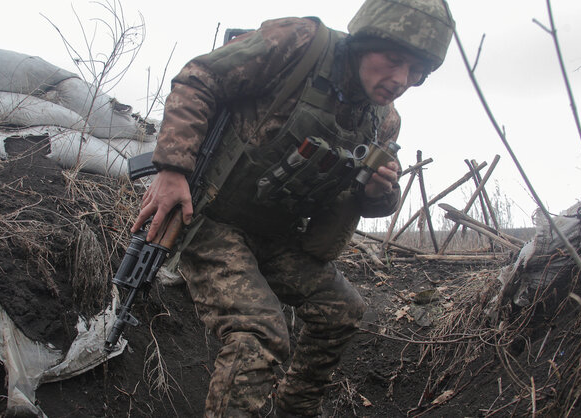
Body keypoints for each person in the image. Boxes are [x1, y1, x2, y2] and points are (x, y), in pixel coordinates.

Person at [131, 0, 454, 416]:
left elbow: (376, 203)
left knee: (342, 311)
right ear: (365, 42)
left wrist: (380, 190)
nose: (401, 79)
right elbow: (201, 77)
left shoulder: (383, 121)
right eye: (393, 61)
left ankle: (295, 410)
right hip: (212, 217)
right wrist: (172, 169)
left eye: (416, 73)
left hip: (278, 235)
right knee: (259, 332)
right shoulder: (301, 42)